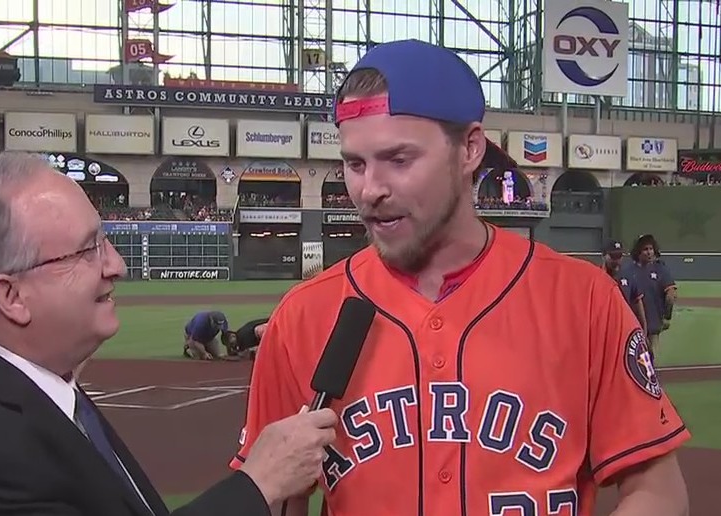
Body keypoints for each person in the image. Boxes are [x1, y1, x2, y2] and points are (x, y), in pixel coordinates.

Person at [229, 39, 690, 516]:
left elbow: (656, 490)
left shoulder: (583, 300)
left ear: (470, 149)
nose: (370, 190)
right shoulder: (304, 316)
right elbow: (279, 498)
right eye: (355, 164)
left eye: (399, 159)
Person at [0, 152, 339, 516]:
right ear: (11, 296)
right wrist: (258, 484)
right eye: (87, 249)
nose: (116, 265)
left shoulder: (33, 386)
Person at [629, 233, 678, 357]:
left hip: (652, 323)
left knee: (648, 358)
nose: (649, 252)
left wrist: (667, 316)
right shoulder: (629, 271)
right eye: (645, 249)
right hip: (632, 323)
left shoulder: (660, 269)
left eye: (651, 249)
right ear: (638, 251)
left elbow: (671, 295)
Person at [604, 240, 647, 332]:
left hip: (624, 327)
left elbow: (637, 303)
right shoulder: (598, 276)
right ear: (604, 256)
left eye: (619, 256)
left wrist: (643, 328)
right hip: (603, 326)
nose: (616, 260)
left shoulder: (629, 276)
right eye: (613, 257)